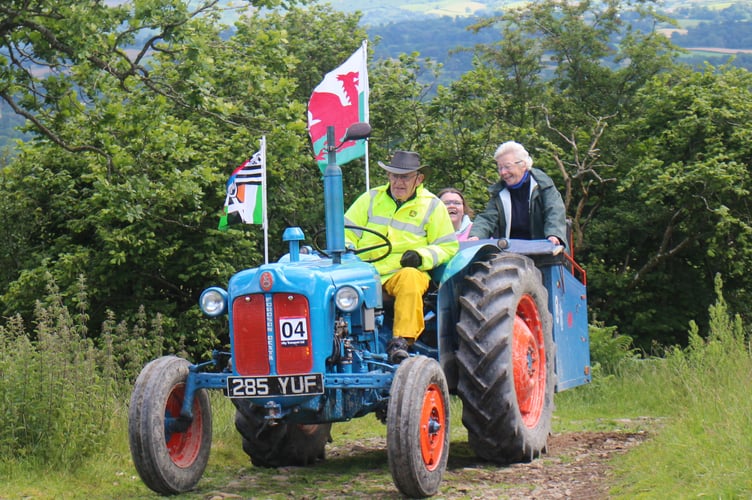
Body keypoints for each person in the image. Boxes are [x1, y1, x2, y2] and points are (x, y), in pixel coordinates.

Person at [344, 151, 459, 363]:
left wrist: (420, 256)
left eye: (405, 177)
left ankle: (400, 342)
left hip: (402, 272)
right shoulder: (369, 199)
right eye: (394, 175)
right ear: (388, 176)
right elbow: (345, 233)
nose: (398, 181)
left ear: (419, 179)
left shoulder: (432, 206)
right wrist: (348, 250)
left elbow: (447, 247)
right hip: (365, 273)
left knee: (410, 277)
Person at [468, 141, 567, 247]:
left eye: (507, 167)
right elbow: (487, 218)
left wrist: (553, 235)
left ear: (523, 165)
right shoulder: (499, 193)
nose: (503, 172)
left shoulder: (544, 186)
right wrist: (476, 236)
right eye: (500, 168)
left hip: (545, 249)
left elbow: (554, 212)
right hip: (510, 250)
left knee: (554, 263)